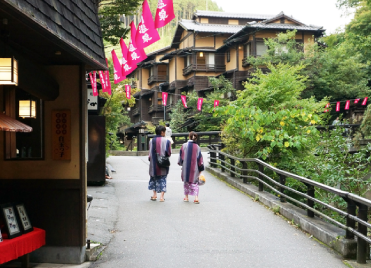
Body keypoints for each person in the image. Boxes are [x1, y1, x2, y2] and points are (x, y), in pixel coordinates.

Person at [178, 131, 204, 204]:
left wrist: (181, 163)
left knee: (186, 182)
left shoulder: (184, 145)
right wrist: (200, 168)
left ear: (189, 137)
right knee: (194, 183)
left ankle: (186, 197)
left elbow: (181, 157)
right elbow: (200, 159)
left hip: (186, 167)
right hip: (194, 168)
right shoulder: (197, 147)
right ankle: (196, 198)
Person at [148, 125, 172, 202]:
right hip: (163, 164)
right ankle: (161, 197)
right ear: (162, 132)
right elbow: (168, 153)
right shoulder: (167, 141)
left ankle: (154, 195)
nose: (165, 133)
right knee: (163, 179)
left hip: (153, 164)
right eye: (164, 132)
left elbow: (150, 154)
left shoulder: (151, 141)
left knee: (154, 178)